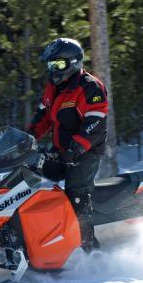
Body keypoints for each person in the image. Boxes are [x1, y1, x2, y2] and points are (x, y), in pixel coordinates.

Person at [27, 38, 108, 253]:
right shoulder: (54, 87)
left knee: (76, 194)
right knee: (27, 176)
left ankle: (89, 250)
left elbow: (96, 121)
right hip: (61, 150)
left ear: (73, 63)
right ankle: (28, 235)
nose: (53, 70)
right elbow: (43, 115)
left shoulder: (90, 87)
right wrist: (28, 137)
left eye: (58, 65)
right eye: (50, 65)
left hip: (85, 153)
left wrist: (76, 148)